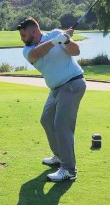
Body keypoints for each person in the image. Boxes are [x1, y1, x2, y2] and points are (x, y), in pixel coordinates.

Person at [18, 17, 86, 182]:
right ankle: (59, 156)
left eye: (24, 35)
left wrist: (67, 41)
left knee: (61, 124)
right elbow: (37, 53)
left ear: (34, 32)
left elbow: (76, 51)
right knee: (46, 120)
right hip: (55, 89)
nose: (22, 39)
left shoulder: (56, 34)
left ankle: (69, 170)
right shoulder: (28, 50)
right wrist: (57, 41)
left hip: (72, 83)